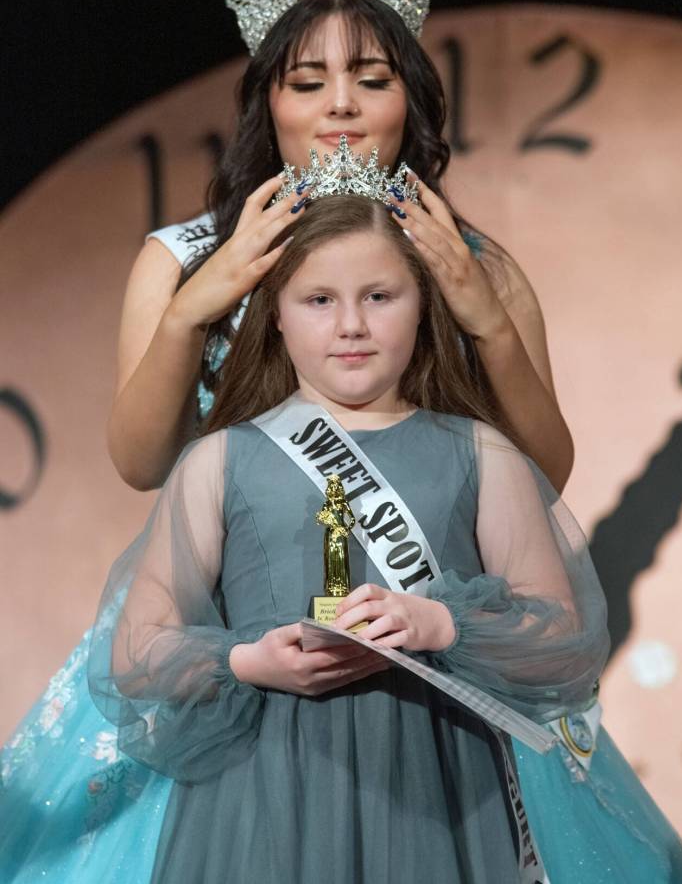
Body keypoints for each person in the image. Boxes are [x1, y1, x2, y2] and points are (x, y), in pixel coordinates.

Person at [88, 182, 609, 883]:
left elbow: (563, 639)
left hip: (438, 792)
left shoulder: (484, 453)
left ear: (423, 305)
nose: (352, 325)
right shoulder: (217, 460)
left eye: (380, 296)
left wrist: (441, 623)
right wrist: (246, 661)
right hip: (260, 799)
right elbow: (135, 651)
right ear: (275, 315)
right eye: (319, 300)